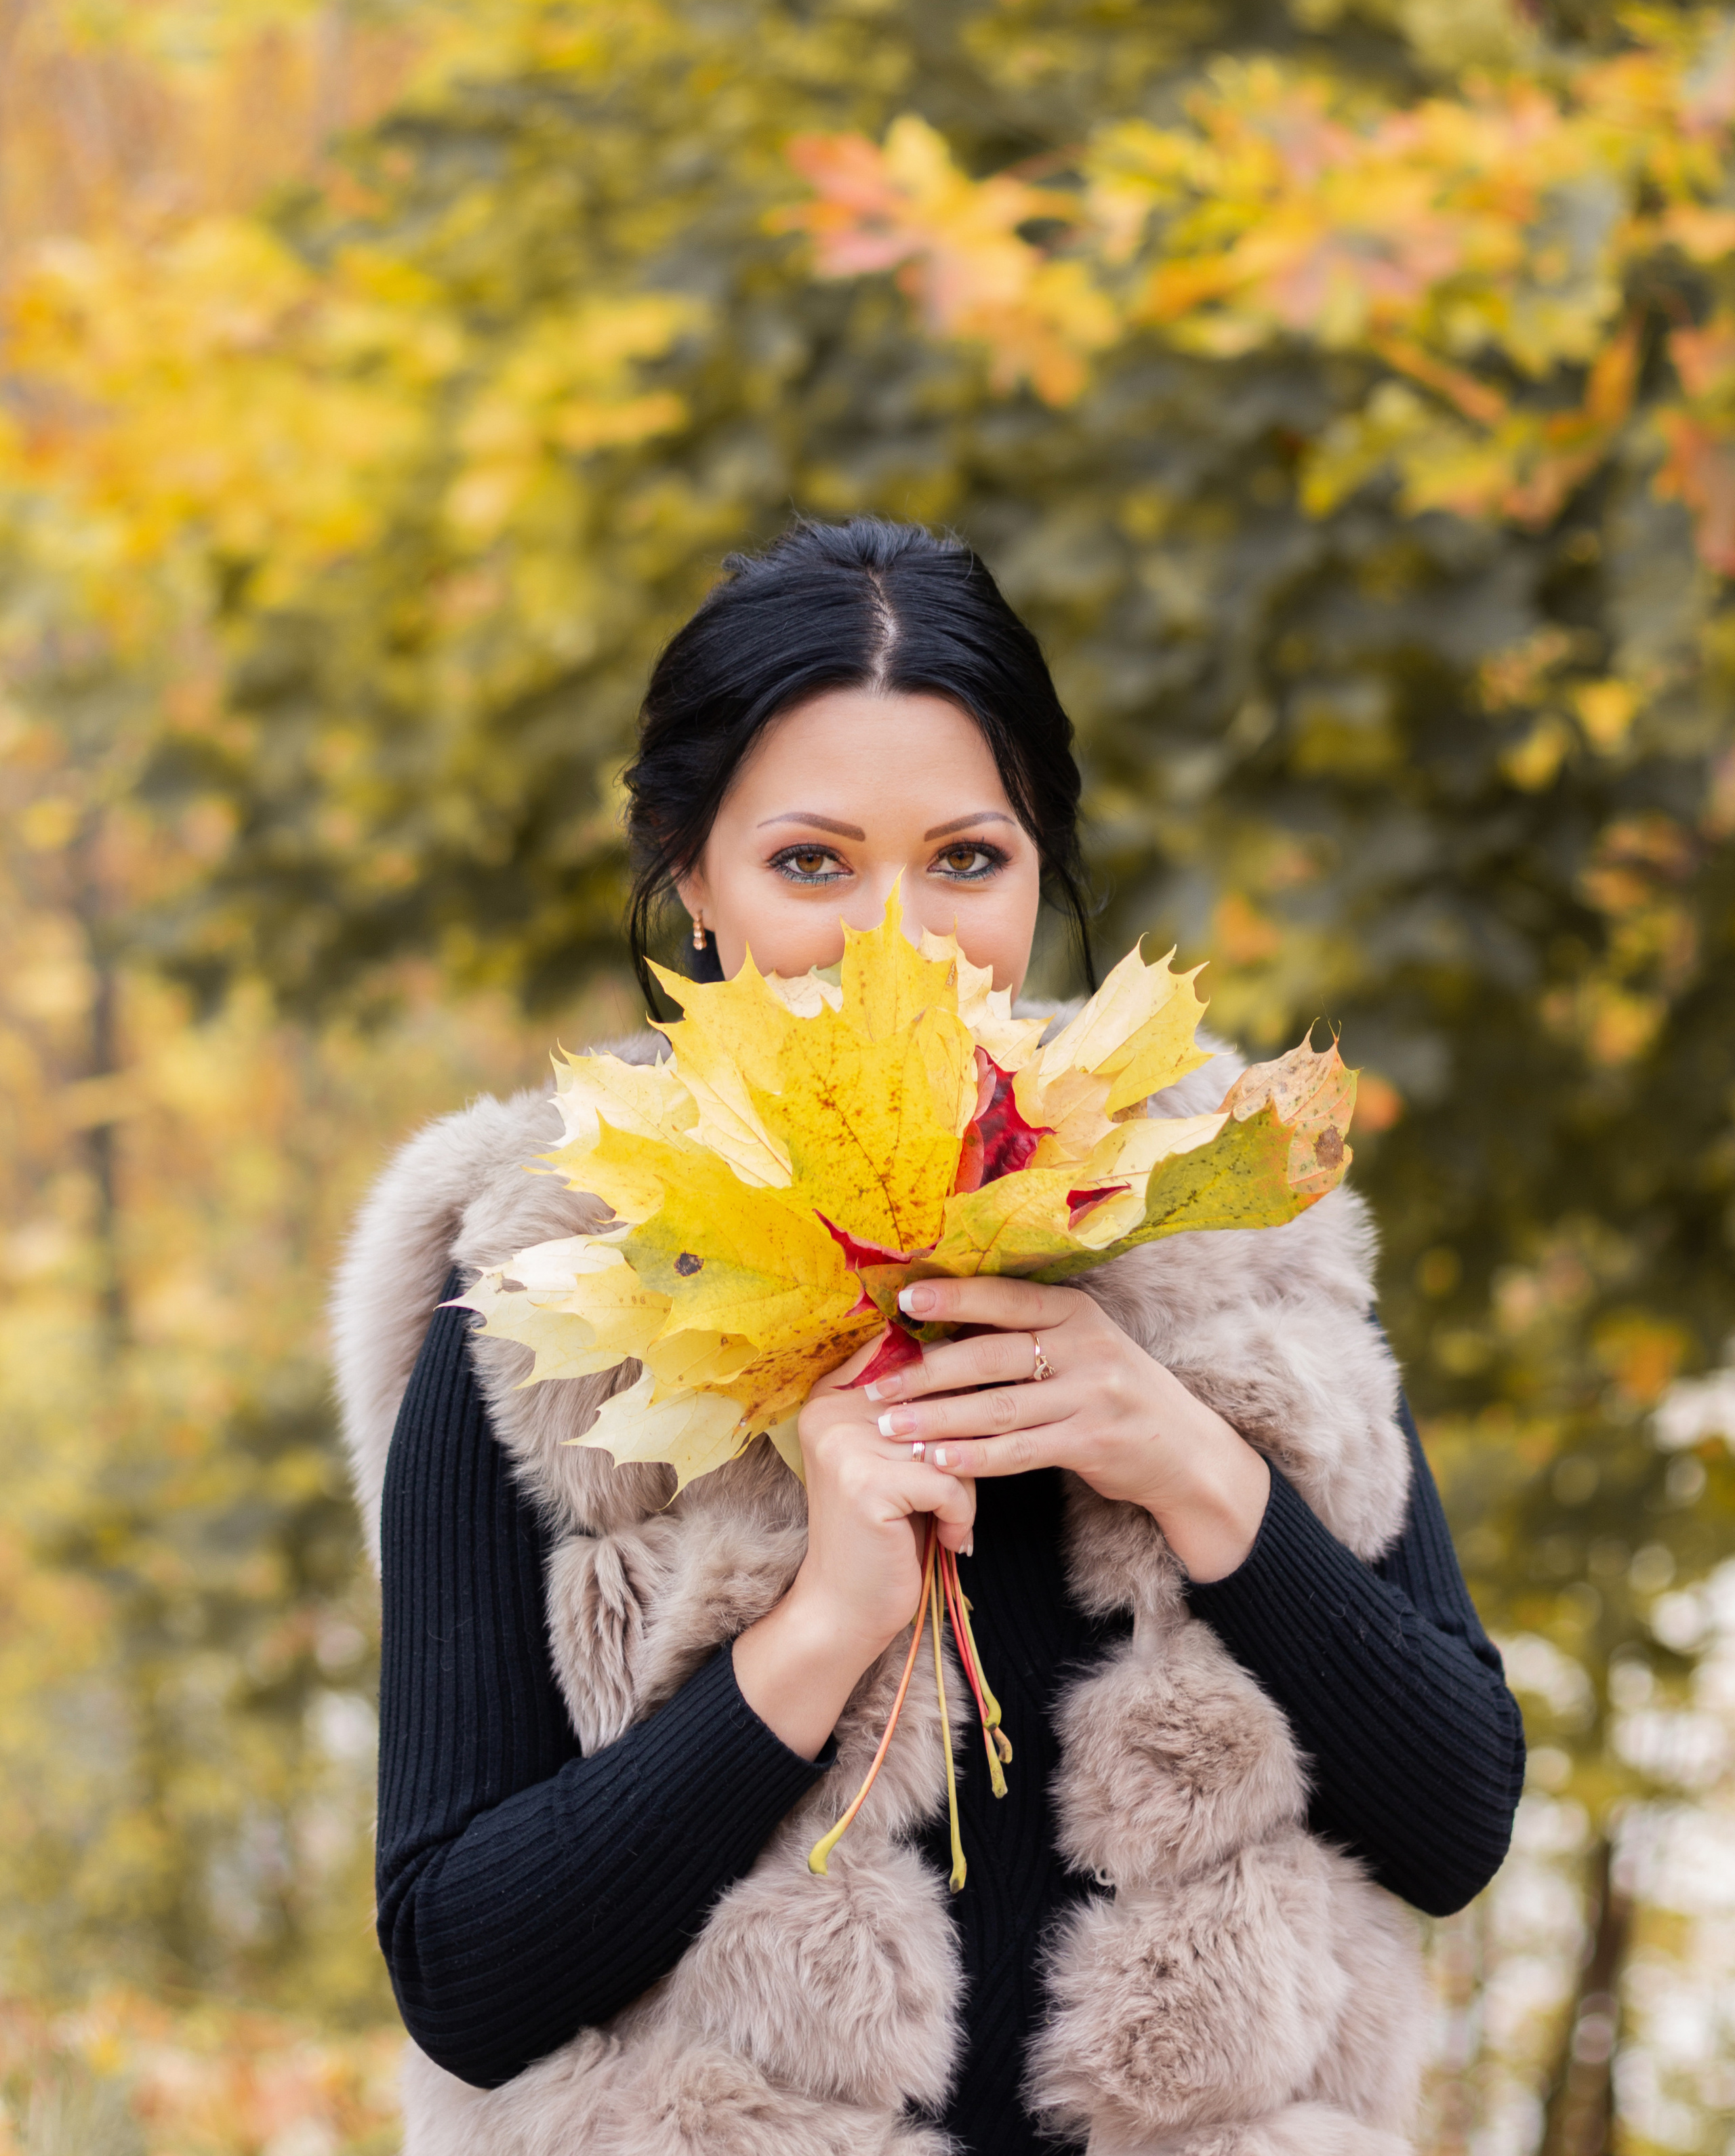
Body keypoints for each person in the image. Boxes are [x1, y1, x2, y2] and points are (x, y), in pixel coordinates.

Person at [333, 517, 1524, 2156]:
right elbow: (462, 1972)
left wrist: (1187, 1464)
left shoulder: (1222, 1233)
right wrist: (816, 1629)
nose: (899, 937)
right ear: (690, 877)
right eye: (811, 862)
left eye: (967, 859)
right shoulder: (545, 1295)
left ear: (1041, 869)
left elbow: (1453, 1822)